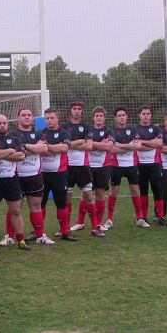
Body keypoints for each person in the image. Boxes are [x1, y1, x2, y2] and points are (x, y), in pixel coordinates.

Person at [0, 114, 31, 251]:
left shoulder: (15, 139)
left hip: (12, 180)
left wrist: (2, 154)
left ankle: (21, 240)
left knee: (16, 211)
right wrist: (10, 151)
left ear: (7, 124)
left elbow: (22, 156)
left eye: (4, 123)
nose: (2, 125)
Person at [11, 108, 53, 245]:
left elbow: (44, 149)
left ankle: (40, 235)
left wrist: (24, 147)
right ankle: (9, 236)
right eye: (23, 115)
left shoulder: (39, 133)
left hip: (34, 176)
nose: (26, 117)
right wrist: (34, 148)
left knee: (36, 206)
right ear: (18, 118)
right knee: (15, 208)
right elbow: (14, 153)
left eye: (29, 115)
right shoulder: (12, 134)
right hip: (17, 176)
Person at [62, 100, 102, 237]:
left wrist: (70, 144)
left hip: (83, 167)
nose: (77, 111)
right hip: (67, 167)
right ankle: (65, 229)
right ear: (70, 110)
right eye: (74, 108)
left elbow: (89, 146)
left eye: (79, 108)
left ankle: (95, 227)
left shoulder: (87, 127)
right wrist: (80, 141)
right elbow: (63, 146)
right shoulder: (64, 127)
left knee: (89, 196)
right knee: (67, 198)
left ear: (82, 111)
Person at [39, 108, 75, 240]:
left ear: (57, 118)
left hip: (60, 173)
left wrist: (47, 147)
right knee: (40, 203)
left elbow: (64, 148)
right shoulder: (40, 133)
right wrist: (55, 148)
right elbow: (39, 150)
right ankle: (39, 232)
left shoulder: (64, 132)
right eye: (47, 118)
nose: (49, 120)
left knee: (61, 202)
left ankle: (65, 231)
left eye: (52, 118)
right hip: (42, 173)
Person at [108, 107, 146, 227]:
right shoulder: (111, 131)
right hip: (116, 166)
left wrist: (120, 146)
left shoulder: (133, 129)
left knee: (135, 191)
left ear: (127, 116)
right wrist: (129, 146)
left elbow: (138, 146)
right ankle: (109, 219)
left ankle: (139, 219)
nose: (121, 117)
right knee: (114, 192)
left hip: (131, 165)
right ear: (115, 118)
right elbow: (112, 149)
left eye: (123, 115)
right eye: (119, 115)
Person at [136, 106, 167, 227]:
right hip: (140, 164)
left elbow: (159, 143)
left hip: (155, 164)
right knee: (143, 191)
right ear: (139, 115)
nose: (145, 116)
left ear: (150, 115)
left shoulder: (156, 128)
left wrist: (143, 142)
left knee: (157, 190)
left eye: (148, 114)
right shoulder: (136, 129)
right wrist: (152, 143)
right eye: (143, 113)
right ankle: (144, 216)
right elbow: (137, 146)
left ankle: (160, 216)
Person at [88, 107, 115, 231]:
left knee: (100, 195)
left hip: (103, 167)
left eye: (101, 115)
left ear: (104, 117)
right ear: (93, 117)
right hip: (88, 166)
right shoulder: (88, 130)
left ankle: (98, 223)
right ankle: (80, 222)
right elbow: (85, 145)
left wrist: (92, 143)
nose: (99, 117)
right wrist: (101, 144)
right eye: (96, 115)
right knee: (86, 195)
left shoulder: (109, 130)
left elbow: (109, 146)